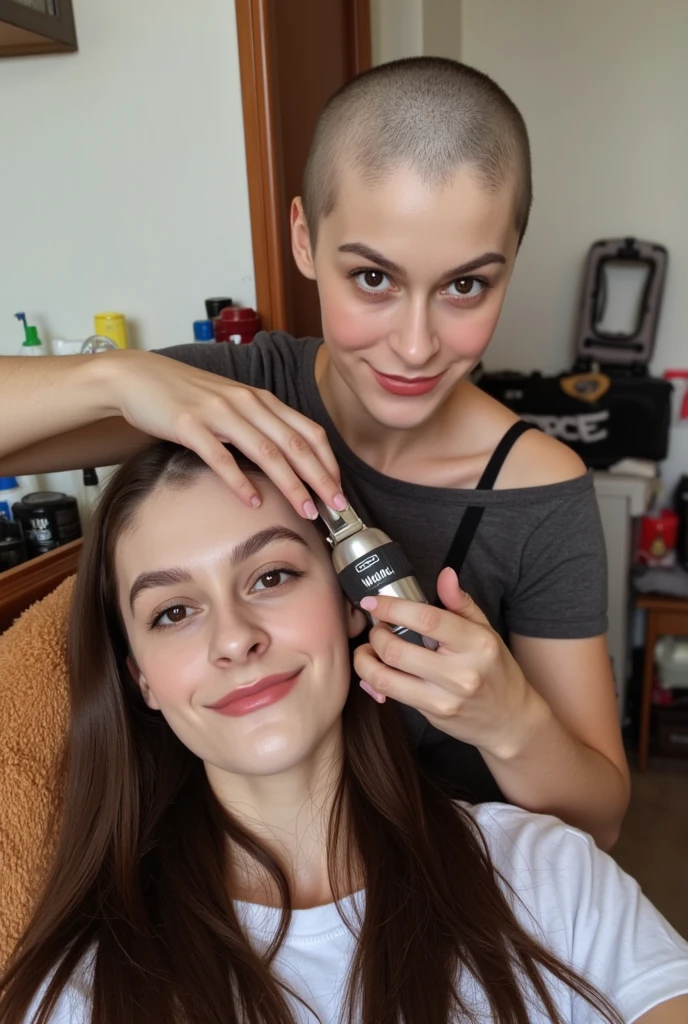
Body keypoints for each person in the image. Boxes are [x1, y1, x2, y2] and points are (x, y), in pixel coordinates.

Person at [0, 58, 629, 848]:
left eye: (466, 287)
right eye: (372, 277)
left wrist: (511, 719)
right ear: (304, 237)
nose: (414, 345)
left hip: (450, 900)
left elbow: (598, 821)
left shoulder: (539, 495)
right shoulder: (242, 390)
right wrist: (120, 378)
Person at [0, 441, 686, 1024]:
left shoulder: (550, 878)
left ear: (355, 605)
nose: (235, 639)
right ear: (141, 678)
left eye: (271, 576)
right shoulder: (82, 990)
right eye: (174, 612)